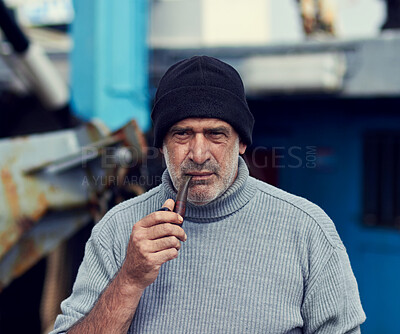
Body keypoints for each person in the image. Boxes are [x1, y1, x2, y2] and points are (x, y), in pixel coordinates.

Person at [51, 56, 366, 334]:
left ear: (241, 143)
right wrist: (130, 279)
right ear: (161, 145)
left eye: (216, 134)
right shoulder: (118, 230)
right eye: (182, 134)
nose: (198, 153)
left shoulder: (307, 229)